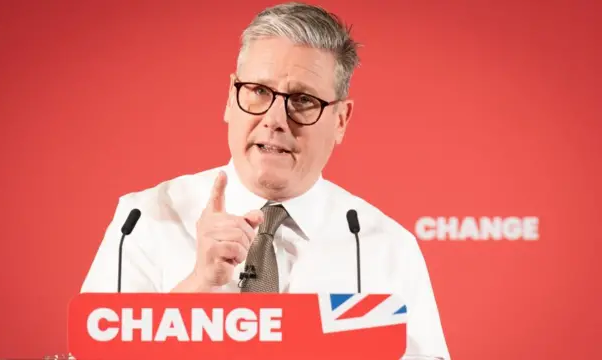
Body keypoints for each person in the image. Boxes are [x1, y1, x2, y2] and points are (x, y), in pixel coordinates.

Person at [81, 2, 450, 358]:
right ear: (230, 97)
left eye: (302, 99)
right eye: (258, 92)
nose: (274, 119)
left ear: (341, 120)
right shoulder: (142, 220)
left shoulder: (384, 247)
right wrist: (198, 287)